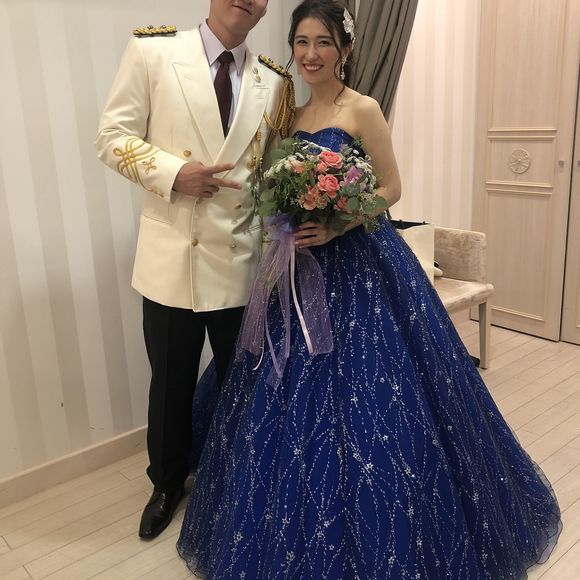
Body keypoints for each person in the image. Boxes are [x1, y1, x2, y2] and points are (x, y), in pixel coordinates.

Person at [177, 0, 562, 577]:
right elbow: (272, 187)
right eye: (302, 41)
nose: (311, 54)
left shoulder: (363, 109)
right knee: (282, 388)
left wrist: (338, 221)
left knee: (378, 390)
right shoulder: (287, 112)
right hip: (297, 268)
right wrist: (284, 219)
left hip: (361, 265)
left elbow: (392, 187)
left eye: (323, 42)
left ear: (346, 50)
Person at [95, 0, 293, 540]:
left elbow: (274, 171)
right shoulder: (154, 52)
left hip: (242, 262)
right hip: (171, 260)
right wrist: (173, 172)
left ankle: (236, 482)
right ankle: (166, 484)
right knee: (170, 383)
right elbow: (111, 137)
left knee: (240, 384)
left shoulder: (274, 80)